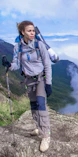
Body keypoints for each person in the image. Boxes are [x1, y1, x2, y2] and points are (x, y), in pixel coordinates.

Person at [2, 20, 52, 152]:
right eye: (29, 31)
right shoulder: (17, 47)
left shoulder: (39, 44)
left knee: (41, 104)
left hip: (41, 78)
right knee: (34, 106)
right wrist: (9, 65)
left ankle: (46, 135)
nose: (32, 33)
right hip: (28, 80)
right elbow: (17, 64)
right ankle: (38, 127)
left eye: (33, 30)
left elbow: (47, 64)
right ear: (22, 32)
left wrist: (49, 83)